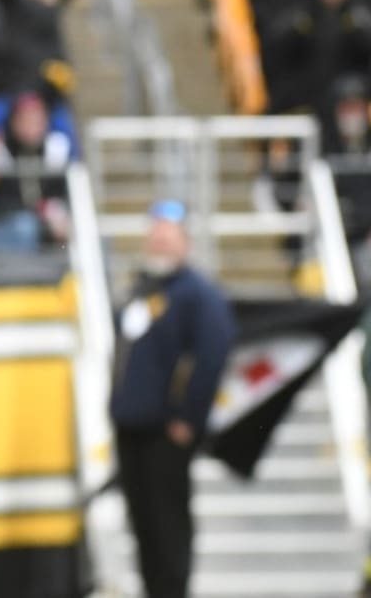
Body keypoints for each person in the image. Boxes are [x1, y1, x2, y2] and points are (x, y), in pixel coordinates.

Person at [110, 200, 236, 598]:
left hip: (166, 434)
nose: (160, 243)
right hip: (131, 431)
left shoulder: (198, 295)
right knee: (143, 525)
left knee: (168, 526)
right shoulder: (143, 289)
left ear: (185, 242)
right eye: (156, 235)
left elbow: (214, 353)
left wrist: (188, 418)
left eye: (169, 236)